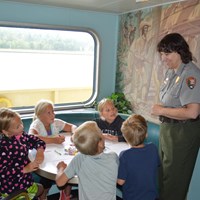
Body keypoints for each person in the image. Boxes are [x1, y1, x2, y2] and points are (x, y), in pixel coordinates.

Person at [151, 32, 200, 200]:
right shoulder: (171, 72)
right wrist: (163, 111)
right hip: (168, 129)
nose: (163, 58)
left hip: (182, 132)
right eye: (162, 54)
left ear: (179, 51)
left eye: (167, 53)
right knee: (163, 174)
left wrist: (161, 110)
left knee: (175, 179)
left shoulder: (191, 74)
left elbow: (192, 112)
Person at [55, 121, 119, 200]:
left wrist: (60, 168)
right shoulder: (113, 157)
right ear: (100, 143)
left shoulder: (79, 159)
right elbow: (116, 180)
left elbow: (60, 183)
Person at [29, 99, 77, 200]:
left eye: (53, 112)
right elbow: (32, 136)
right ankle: (43, 196)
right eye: (49, 113)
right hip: (44, 158)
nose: (52, 115)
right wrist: (53, 140)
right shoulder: (36, 124)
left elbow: (72, 126)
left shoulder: (56, 123)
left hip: (57, 155)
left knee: (68, 168)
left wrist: (75, 134)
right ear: (39, 115)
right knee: (46, 179)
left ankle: (65, 195)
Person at [0, 108, 46, 200]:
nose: (22, 127)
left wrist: (40, 151)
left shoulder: (21, 136)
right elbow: (3, 172)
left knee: (41, 188)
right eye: (17, 126)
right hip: (11, 188)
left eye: (21, 122)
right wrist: (24, 169)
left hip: (25, 181)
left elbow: (36, 140)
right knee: (40, 189)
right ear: (6, 132)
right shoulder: (3, 148)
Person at [117, 114, 160, 200]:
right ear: (146, 134)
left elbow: (120, 182)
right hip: (151, 196)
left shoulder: (125, 155)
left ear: (125, 138)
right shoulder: (153, 148)